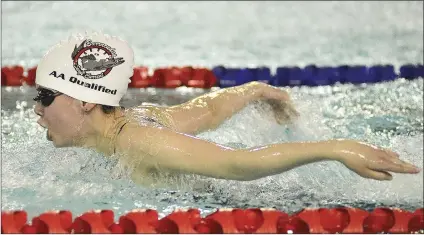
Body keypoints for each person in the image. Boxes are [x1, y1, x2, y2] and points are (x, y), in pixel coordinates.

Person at [33, 33, 420, 187]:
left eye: (45, 97)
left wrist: (336, 148)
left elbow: (237, 164)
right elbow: (207, 111)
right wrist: (254, 90)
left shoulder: (140, 142)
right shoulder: (135, 120)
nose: (36, 110)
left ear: (85, 101)